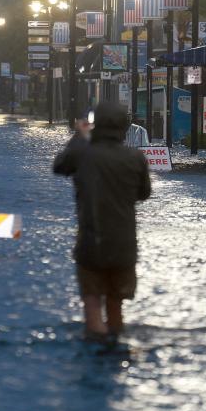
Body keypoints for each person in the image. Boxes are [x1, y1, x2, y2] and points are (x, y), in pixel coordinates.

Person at [53, 102, 152, 341]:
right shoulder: (135, 158)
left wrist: (80, 137)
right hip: (124, 245)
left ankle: (96, 343)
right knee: (116, 302)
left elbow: (60, 166)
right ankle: (115, 345)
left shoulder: (83, 154)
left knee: (92, 300)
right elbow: (144, 194)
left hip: (91, 240)